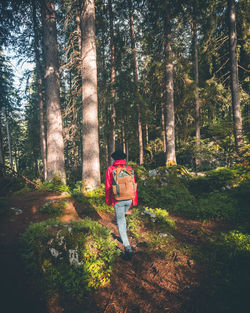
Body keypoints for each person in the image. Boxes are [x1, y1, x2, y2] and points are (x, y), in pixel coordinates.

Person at [105, 150, 138, 260]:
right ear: (123, 159)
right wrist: (134, 200)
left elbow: (108, 186)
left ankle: (127, 248)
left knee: (121, 222)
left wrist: (109, 200)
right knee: (122, 219)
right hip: (129, 199)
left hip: (118, 200)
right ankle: (125, 237)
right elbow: (134, 185)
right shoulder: (129, 169)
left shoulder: (111, 169)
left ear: (114, 159)